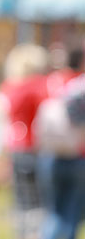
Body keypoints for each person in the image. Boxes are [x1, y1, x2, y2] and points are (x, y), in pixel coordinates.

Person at [0, 43, 49, 239]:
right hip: (34, 145)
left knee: (21, 200)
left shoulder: (10, 86)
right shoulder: (38, 86)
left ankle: (22, 233)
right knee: (38, 200)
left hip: (15, 145)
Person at [34, 48, 85, 239]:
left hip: (50, 153)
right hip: (78, 155)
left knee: (53, 213)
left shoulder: (50, 82)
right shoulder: (80, 85)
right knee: (72, 214)